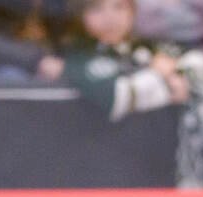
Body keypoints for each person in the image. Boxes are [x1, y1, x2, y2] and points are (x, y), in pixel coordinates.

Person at [62, 0, 191, 119]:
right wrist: (159, 76)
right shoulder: (76, 57)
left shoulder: (148, 47)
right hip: (105, 140)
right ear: (80, 15)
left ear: (132, 11)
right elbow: (116, 100)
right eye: (96, 9)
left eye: (119, 7)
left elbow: (193, 73)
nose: (110, 18)